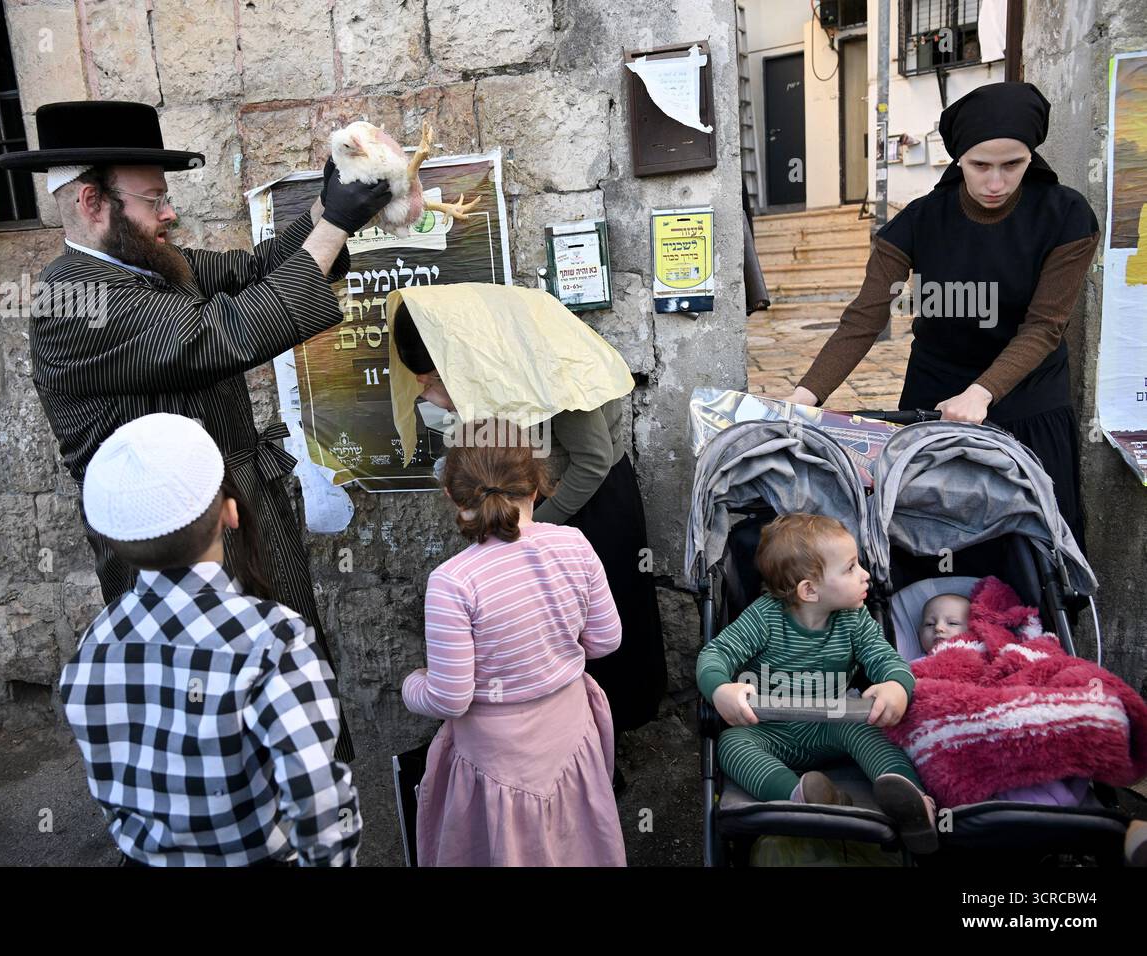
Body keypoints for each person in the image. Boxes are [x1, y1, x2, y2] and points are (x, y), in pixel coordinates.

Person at [0, 100, 392, 761]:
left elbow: (253, 272)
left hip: (243, 515)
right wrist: (334, 225)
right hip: (172, 549)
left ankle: (309, 808)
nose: (170, 214)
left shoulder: (150, 261)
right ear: (93, 201)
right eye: (153, 200)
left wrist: (333, 206)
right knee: (215, 719)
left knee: (286, 693)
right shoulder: (71, 300)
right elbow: (225, 334)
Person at [787, 83, 1099, 548]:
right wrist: (805, 394)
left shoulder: (1066, 216)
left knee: (1032, 545)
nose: (996, 183)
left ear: (1031, 157)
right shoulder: (919, 221)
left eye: (1012, 165)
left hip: (1027, 396)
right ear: (959, 160)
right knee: (931, 535)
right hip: (935, 396)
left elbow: (1045, 327)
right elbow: (864, 319)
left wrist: (982, 392)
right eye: (980, 166)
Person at [387, 283, 667, 787]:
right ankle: (542, 746)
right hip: (531, 509)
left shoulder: (547, 361)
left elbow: (593, 461)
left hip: (588, 505)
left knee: (587, 629)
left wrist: (526, 531)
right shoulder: (489, 359)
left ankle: (599, 750)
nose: (430, 392)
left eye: (433, 380)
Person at [60, 413, 360, 866]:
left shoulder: (95, 644)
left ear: (115, 540)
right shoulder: (274, 640)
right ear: (230, 512)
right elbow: (317, 797)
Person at [403, 427, 627, 866]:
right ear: (538, 484)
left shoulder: (452, 582)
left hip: (496, 762)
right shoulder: (575, 544)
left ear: (451, 495)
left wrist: (413, 683)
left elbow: (450, 696)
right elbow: (606, 640)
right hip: (569, 738)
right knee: (577, 844)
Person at [695, 513, 938, 853]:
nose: (865, 574)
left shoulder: (855, 620)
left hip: (833, 723)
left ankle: (911, 801)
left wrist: (897, 685)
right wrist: (721, 688)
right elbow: (716, 654)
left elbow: (886, 659)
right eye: (851, 568)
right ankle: (799, 796)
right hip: (771, 728)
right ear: (809, 590)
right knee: (732, 744)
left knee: (870, 729)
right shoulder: (764, 617)